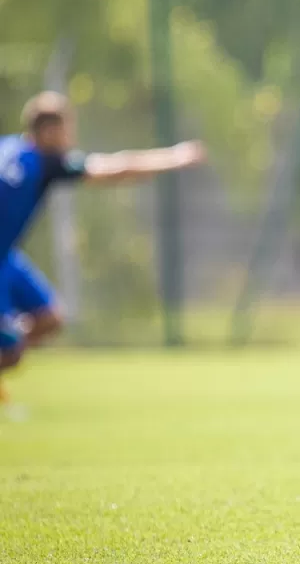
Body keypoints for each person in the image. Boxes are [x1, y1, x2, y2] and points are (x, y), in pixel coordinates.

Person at [0, 91, 206, 408]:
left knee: (50, 318)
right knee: (11, 351)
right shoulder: (46, 161)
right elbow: (116, 168)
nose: (70, 138)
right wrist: (176, 157)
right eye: (67, 129)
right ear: (49, 131)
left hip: (6, 257)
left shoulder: (8, 146)